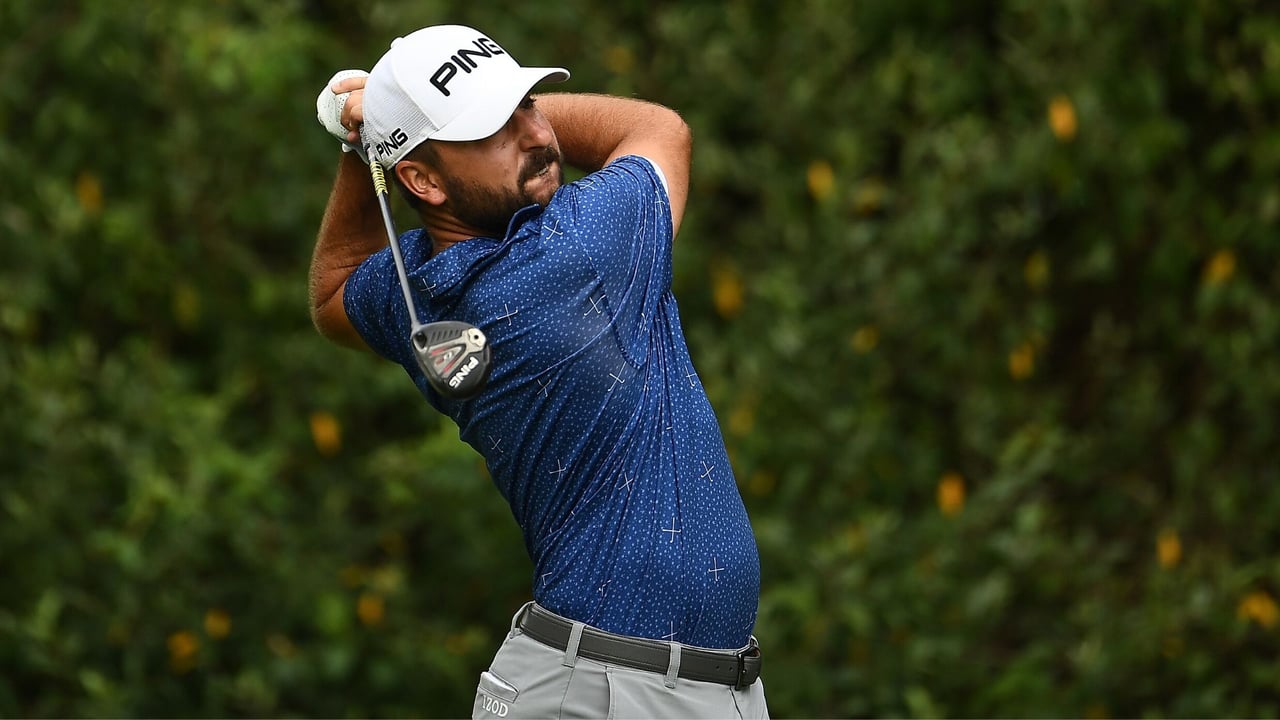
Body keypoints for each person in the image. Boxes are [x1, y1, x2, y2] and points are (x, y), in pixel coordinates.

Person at [310, 23, 768, 719]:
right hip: (608, 690)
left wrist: (366, 145)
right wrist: (375, 130)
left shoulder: (417, 290)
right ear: (422, 179)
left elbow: (332, 290)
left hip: (638, 684)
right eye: (494, 126)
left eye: (528, 103)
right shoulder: (581, 251)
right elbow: (658, 128)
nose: (537, 134)